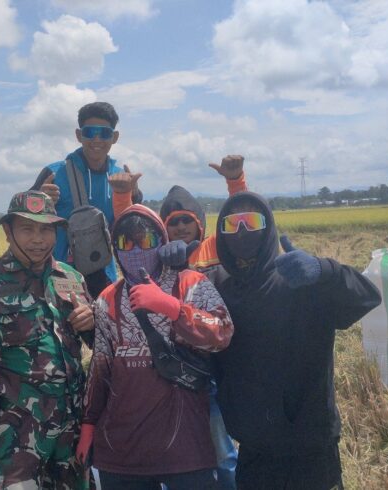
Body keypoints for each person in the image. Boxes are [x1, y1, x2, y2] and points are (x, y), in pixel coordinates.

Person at [211, 191, 381, 489]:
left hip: (310, 446)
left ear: (268, 228)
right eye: (232, 224)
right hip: (254, 449)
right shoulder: (219, 288)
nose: (242, 231)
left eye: (252, 221)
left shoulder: (298, 279)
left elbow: (366, 298)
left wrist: (325, 271)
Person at [0, 190, 95, 489]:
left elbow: (98, 342)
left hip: (70, 426)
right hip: (15, 431)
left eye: (46, 229)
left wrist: (92, 323)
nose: (38, 239)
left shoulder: (71, 278)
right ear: (8, 232)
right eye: (27, 229)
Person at [77, 204, 234, 490]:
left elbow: (222, 333)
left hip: (185, 447)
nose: (137, 251)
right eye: (126, 243)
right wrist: (88, 423)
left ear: (162, 241)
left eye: (147, 241)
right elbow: (100, 368)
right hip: (122, 449)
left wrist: (174, 308)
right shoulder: (107, 299)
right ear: (115, 249)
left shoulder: (190, 284)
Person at [155, 156, 247, 490]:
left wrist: (236, 182)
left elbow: (243, 223)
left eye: (187, 220)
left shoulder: (215, 247)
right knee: (173, 450)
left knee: (222, 450)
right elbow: (128, 239)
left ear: (200, 224)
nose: (180, 227)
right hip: (176, 370)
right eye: (173, 222)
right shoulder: (159, 258)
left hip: (219, 364)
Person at [31, 101, 142, 298]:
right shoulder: (54, 174)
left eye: (105, 133)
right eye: (90, 132)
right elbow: (23, 220)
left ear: (115, 137)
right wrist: (39, 200)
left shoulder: (121, 177)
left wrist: (132, 194)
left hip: (104, 276)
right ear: (79, 135)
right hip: (58, 276)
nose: (97, 139)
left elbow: (134, 227)